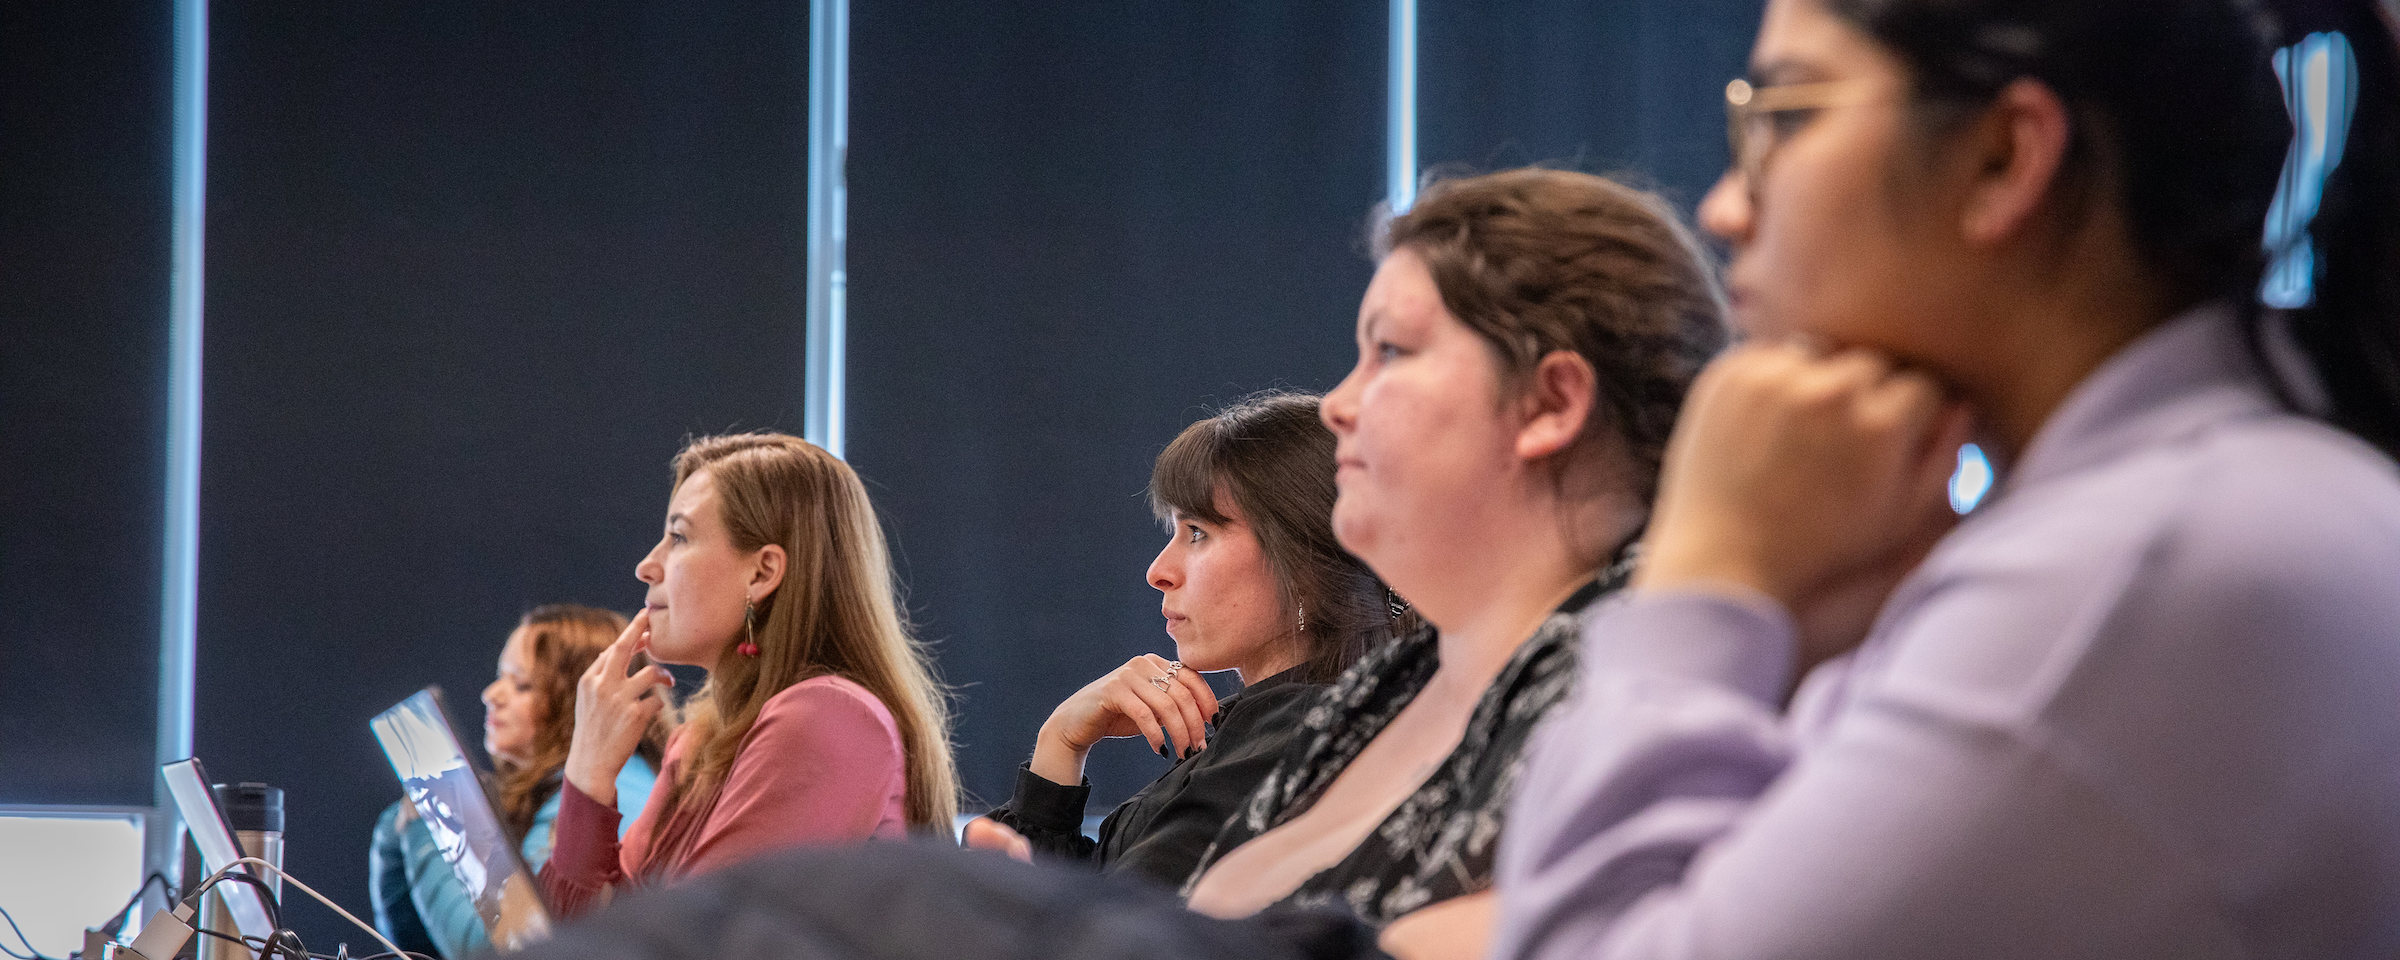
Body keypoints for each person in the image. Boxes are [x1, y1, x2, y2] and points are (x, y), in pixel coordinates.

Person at [1484, 0, 2400, 957]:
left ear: (2005, 158)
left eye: (1786, 115)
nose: (1724, 207)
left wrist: (1709, 572)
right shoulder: (2177, 511)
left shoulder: (2140, 565)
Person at [1176, 167, 1728, 930]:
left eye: (1390, 351)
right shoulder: (1383, 688)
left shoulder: (1636, 686)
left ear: (1551, 403)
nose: (1336, 405)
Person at [965, 391, 1406, 889]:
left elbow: (1104, 923)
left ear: (1305, 563)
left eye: (1197, 533)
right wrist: (1060, 744)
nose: (1158, 571)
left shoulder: (1298, 741)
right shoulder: (1287, 728)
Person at [540, 432, 961, 917]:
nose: (646, 566)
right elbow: (579, 934)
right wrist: (588, 771)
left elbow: (695, 942)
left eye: (679, 537)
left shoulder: (827, 717)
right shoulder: (697, 743)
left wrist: (587, 774)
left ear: (761, 574)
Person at [368, 604, 665, 957]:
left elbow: (507, 950)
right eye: (501, 677)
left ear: (578, 700)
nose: (491, 694)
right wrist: (399, 826)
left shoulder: (611, 791)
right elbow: (414, 947)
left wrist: (426, 823)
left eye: (522, 685)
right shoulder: (559, 789)